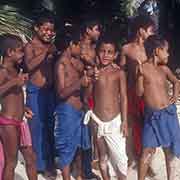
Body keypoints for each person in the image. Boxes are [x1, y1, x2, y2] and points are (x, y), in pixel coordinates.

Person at [84, 36, 128, 180]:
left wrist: (125, 121)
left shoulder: (119, 73)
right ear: (97, 52)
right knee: (102, 158)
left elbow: (124, 98)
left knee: (121, 158)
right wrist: (91, 81)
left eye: (110, 52)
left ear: (115, 55)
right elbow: (87, 97)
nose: (106, 55)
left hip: (115, 121)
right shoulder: (94, 72)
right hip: (98, 121)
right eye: (102, 51)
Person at [136, 35, 180, 180]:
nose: (168, 54)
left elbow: (176, 81)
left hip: (168, 115)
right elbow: (139, 92)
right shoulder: (143, 68)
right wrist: (140, 76)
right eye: (166, 50)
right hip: (152, 117)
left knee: (170, 152)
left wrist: (174, 95)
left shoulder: (164, 70)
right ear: (156, 51)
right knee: (147, 150)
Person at [54, 31, 91, 180]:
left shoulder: (77, 62)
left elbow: (85, 84)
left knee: (79, 146)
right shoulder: (61, 64)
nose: (82, 50)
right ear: (71, 45)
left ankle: (79, 176)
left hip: (79, 110)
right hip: (67, 111)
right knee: (66, 149)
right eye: (80, 46)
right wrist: (79, 83)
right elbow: (61, 93)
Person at [0, 34, 37, 180]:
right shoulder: (3, 71)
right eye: (20, 51)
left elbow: (14, 97)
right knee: (11, 162)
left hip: (20, 121)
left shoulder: (16, 71)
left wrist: (24, 108)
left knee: (31, 158)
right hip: (8, 123)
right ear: (10, 52)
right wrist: (14, 82)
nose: (23, 54)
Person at [24, 14, 56, 177]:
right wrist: (45, 54)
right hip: (35, 92)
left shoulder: (52, 46)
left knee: (50, 127)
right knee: (37, 128)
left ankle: (50, 162)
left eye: (51, 30)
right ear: (36, 28)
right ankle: (38, 166)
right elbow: (29, 66)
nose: (49, 33)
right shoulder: (30, 46)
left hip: (50, 93)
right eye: (45, 29)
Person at [120, 15, 155, 161]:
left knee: (150, 125)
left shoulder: (152, 48)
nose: (152, 34)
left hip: (149, 92)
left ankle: (147, 160)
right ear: (141, 30)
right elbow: (121, 71)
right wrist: (121, 92)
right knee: (133, 125)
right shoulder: (126, 49)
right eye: (150, 31)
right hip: (132, 92)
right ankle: (134, 156)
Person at [80, 20, 102, 179]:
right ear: (88, 30)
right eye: (96, 29)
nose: (99, 32)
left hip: (94, 90)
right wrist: (94, 65)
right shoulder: (80, 46)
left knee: (93, 130)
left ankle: (89, 166)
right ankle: (82, 170)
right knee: (83, 131)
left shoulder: (93, 48)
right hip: (82, 92)